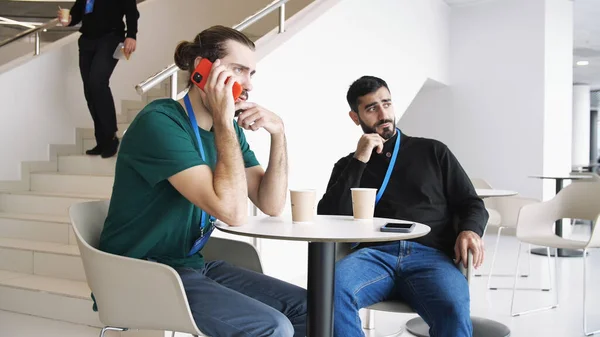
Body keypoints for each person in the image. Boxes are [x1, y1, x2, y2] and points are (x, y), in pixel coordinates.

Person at [98, 25, 306, 337]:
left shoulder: (228, 133)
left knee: (307, 306)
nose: (247, 84)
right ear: (202, 70)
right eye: (238, 70)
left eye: (252, 73)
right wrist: (224, 120)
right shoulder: (160, 122)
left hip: (190, 265)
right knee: (273, 328)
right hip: (143, 273)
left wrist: (279, 133)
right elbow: (234, 213)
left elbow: (271, 204)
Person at [317, 76, 488, 337]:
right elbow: (327, 217)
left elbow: (471, 203)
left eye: (386, 103)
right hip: (372, 257)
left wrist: (470, 230)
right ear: (356, 117)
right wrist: (359, 159)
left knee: (453, 308)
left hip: (431, 256)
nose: (383, 113)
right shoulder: (347, 165)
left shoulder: (432, 151)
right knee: (328, 290)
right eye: (372, 108)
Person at [58, 0, 139, 158]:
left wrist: (131, 35)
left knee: (98, 83)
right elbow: (78, 11)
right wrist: (69, 20)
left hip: (111, 37)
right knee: (89, 90)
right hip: (87, 40)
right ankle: (102, 140)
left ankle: (110, 137)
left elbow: (131, 10)